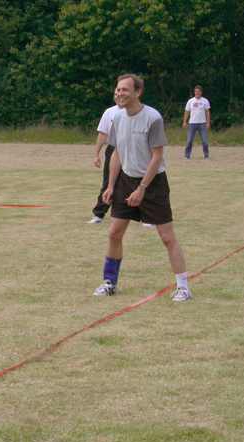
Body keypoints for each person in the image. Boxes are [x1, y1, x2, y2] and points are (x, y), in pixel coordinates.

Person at [94, 74, 192, 301]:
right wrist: (110, 186)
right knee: (114, 232)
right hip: (125, 181)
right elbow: (116, 153)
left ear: (138, 92)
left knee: (167, 236)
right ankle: (109, 283)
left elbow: (157, 157)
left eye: (125, 90)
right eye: (118, 89)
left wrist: (142, 188)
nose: (119, 94)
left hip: (152, 183)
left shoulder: (152, 117)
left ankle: (183, 288)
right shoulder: (116, 117)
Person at [88, 91, 119, 224]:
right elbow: (102, 134)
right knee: (108, 182)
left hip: (132, 149)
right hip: (113, 149)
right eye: (116, 93)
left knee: (136, 181)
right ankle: (99, 215)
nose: (118, 96)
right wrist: (96, 154)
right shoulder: (109, 112)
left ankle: (147, 217)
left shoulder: (138, 112)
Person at [182, 86, 211, 159]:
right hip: (192, 123)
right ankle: (186, 155)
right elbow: (187, 112)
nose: (197, 92)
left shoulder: (205, 101)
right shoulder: (190, 101)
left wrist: (208, 123)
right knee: (189, 141)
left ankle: (206, 155)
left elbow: (207, 112)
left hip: (202, 123)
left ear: (201, 92)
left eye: (198, 91)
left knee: (204, 141)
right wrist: (184, 122)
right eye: (196, 91)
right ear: (194, 92)